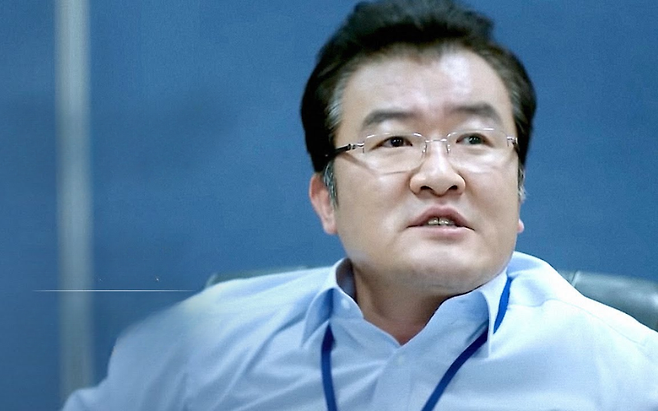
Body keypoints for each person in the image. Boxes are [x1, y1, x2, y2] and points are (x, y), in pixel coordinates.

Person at [63, 0, 658, 409]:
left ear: (519, 189)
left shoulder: (629, 374)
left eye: (475, 139)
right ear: (326, 200)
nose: (440, 175)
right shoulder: (196, 353)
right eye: (394, 141)